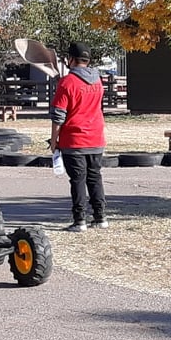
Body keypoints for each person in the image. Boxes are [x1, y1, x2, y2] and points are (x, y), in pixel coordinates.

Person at [50, 41, 107, 231]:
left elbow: (58, 115)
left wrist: (53, 140)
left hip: (74, 140)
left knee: (77, 180)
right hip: (96, 138)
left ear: (71, 60)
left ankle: (79, 220)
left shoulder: (67, 82)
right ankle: (100, 218)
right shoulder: (98, 80)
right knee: (95, 177)